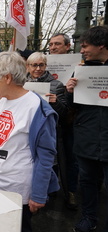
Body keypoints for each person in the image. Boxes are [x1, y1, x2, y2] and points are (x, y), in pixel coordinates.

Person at [0, 51, 59, 232]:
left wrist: (38, 195)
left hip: (18, 190)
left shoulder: (37, 109)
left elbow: (46, 156)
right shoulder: (2, 101)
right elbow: (4, 134)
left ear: (7, 78)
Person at [66, 26, 108, 232]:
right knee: (88, 181)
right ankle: (89, 217)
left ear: (101, 45)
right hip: (87, 137)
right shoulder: (81, 70)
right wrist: (70, 91)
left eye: (85, 46)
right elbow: (71, 107)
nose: (82, 50)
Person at [49, 32, 79, 210]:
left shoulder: (79, 66)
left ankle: (71, 192)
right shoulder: (42, 67)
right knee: (50, 155)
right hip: (51, 120)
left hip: (69, 119)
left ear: (67, 46)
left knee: (70, 158)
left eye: (57, 44)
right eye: (51, 44)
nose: (53, 47)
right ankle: (52, 188)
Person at [26, 52, 67, 118]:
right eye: (34, 65)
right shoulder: (20, 83)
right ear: (27, 66)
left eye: (41, 65)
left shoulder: (57, 85)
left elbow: (64, 112)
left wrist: (56, 103)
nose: (38, 69)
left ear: (45, 66)